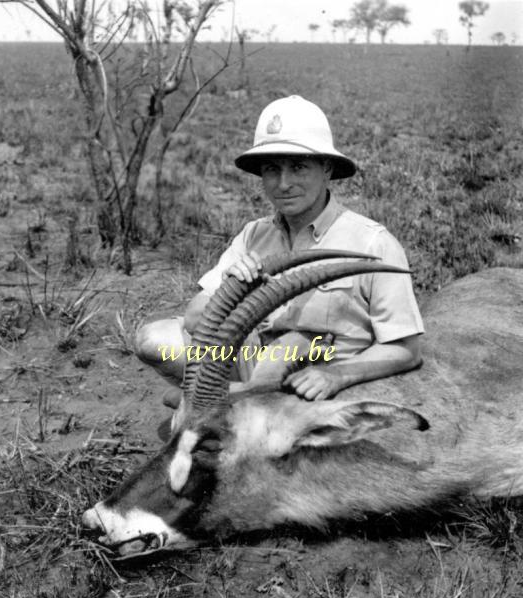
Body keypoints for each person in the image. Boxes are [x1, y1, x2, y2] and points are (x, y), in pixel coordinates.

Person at [136, 95, 424, 401]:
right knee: (154, 340)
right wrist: (232, 288)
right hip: (255, 364)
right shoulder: (253, 235)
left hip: (318, 384)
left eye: (298, 167)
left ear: (326, 168)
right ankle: (241, 398)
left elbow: (407, 349)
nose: (283, 183)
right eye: (272, 169)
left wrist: (336, 375)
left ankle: (225, 404)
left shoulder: (372, 242)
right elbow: (194, 320)